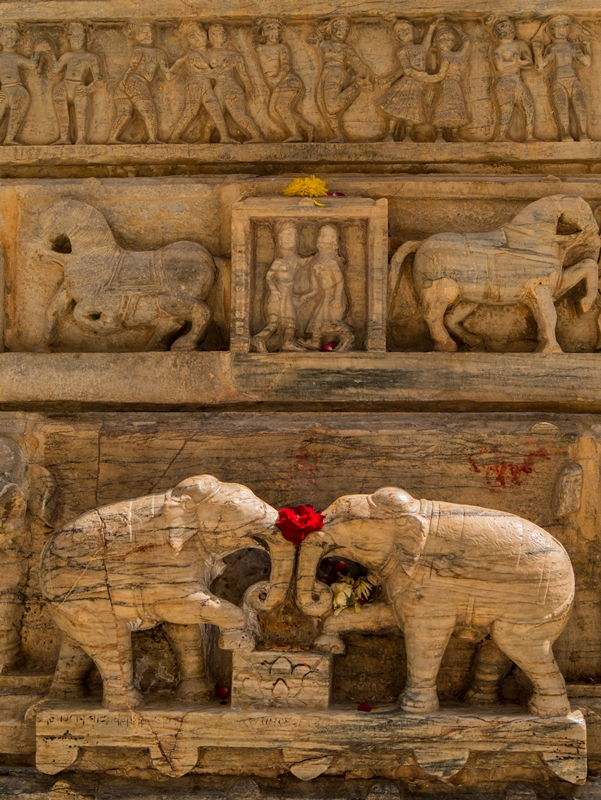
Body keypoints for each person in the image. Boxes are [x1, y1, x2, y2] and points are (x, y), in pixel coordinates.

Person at [168, 22, 235, 144]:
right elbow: (210, 73)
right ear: (188, 41)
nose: (199, 38)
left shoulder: (207, 52)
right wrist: (226, 65)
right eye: (192, 36)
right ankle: (174, 137)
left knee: (213, 109)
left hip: (204, 83)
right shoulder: (194, 55)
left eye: (201, 33)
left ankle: (224, 137)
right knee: (192, 110)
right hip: (196, 83)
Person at [108, 21, 171, 145]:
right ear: (136, 36)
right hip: (134, 81)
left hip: (127, 83)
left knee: (125, 114)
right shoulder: (139, 49)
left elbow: (168, 75)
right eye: (143, 32)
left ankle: (112, 138)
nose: (149, 35)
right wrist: (125, 81)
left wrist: (182, 63)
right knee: (148, 109)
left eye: (151, 32)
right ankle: (152, 139)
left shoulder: (159, 53)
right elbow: (133, 66)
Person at [378, 18, 440, 143]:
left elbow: (426, 45)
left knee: (411, 112)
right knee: (395, 110)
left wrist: (432, 28)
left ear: (414, 32)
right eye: (400, 32)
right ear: (397, 37)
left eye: (407, 30)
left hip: (417, 86)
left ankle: (407, 136)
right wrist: (424, 76)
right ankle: (389, 135)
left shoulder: (420, 48)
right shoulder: (402, 51)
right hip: (407, 84)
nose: (404, 33)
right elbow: (407, 69)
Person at [42, 22, 104, 145]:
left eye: (79, 35)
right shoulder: (67, 55)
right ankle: (64, 137)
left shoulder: (90, 57)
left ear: (86, 37)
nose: (75, 38)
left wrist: (88, 88)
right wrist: (49, 52)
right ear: (68, 37)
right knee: (60, 100)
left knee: (81, 110)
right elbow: (55, 69)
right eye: (72, 34)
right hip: (64, 85)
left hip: (79, 87)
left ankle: (81, 138)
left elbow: (100, 80)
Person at [313, 16, 372, 143]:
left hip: (336, 73)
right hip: (325, 73)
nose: (343, 30)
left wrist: (366, 74)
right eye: (339, 26)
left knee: (331, 107)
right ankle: (338, 136)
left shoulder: (346, 48)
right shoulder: (326, 43)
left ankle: (356, 85)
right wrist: (320, 30)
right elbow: (311, 40)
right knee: (322, 105)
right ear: (332, 28)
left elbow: (358, 64)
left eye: (346, 28)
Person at [251, 221, 307, 352]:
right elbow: (269, 276)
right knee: (274, 322)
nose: (290, 239)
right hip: (278, 296)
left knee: (290, 321)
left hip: (288, 295)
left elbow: (305, 262)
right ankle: (260, 338)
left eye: (293, 236)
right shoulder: (279, 261)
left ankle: (287, 343)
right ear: (280, 240)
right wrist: (274, 290)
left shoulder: (295, 259)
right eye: (286, 236)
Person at [533, 15, 591, 142]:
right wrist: (537, 51)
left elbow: (586, 63)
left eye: (564, 26)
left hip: (573, 79)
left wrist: (586, 46)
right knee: (562, 109)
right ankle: (565, 134)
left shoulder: (572, 47)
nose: (561, 29)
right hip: (559, 81)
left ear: (568, 29)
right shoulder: (552, 48)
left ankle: (584, 134)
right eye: (556, 27)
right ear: (551, 30)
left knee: (580, 107)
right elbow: (540, 66)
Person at [255, 17, 313, 143]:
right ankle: (307, 127)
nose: (274, 32)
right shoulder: (259, 49)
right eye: (270, 28)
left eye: (277, 29)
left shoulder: (282, 48)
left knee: (281, 107)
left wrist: (277, 79)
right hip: (277, 84)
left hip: (288, 81)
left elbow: (286, 66)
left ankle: (296, 135)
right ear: (263, 33)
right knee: (272, 110)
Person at [299, 224, 354, 352]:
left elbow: (340, 282)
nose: (322, 240)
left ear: (333, 242)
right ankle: (315, 342)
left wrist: (337, 298)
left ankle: (348, 337)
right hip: (324, 297)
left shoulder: (332, 262)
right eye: (321, 236)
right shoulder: (315, 264)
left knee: (333, 321)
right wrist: (305, 297)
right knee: (318, 320)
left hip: (334, 297)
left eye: (326, 236)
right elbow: (315, 289)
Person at [206, 24, 263, 144]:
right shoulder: (206, 54)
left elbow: (243, 74)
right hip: (217, 88)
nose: (216, 37)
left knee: (238, 115)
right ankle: (206, 139)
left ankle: (257, 136)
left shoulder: (233, 55)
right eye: (212, 34)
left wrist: (248, 87)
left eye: (219, 34)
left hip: (231, 86)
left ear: (225, 36)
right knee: (214, 116)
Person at [490, 16, 535, 142]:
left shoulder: (520, 44)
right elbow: (499, 67)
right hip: (504, 82)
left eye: (509, 26)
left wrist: (518, 62)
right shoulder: (497, 49)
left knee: (528, 106)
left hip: (517, 80)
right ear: (495, 32)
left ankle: (530, 136)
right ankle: (500, 136)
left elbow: (529, 62)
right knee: (506, 109)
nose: (506, 29)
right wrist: (517, 63)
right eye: (502, 27)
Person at [0, 24, 43, 145]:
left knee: (16, 114)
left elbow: (32, 65)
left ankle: (9, 138)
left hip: (18, 90)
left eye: (13, 37)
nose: (10, 39)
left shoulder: (15, 57)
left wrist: (37, 50)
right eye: (6, 36)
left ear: (18, 41)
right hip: (3, 91)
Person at [430, 24, 470, 142]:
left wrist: (459, 29)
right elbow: (440, 74)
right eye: (442, 39)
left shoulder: (458, 55)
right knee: (442, 108)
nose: (446, 42)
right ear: (436, 42)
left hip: (455, 85)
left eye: (449, 39)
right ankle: (439, 135)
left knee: (456, 108)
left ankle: (455, 134)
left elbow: (466, 42)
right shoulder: (444, 56)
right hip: (446, 84)